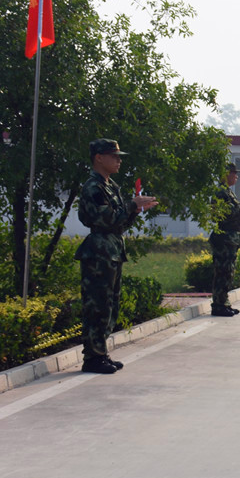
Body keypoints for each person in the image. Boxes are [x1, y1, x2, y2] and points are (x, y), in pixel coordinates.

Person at [74, 139, 158, 374]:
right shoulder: (94, 187)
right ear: (99, 158)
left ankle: (100, 353)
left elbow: (119, 223)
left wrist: (135, 210)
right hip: (99, 252)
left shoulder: (111, 186)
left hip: (111, 250)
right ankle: (93, 358)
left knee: (109, 305)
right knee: (97, 306)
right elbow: (105, 219)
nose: (118, 160)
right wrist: (131, 205)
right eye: (114, 156)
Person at [210, 162, 240, 317]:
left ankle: (224, 303)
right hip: (224, 237)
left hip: (230, 237)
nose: (236, 176)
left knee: (228, 272)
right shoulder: (220, 193)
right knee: (222, 272)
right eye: (233, 173)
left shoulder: (228, 192)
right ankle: (218, 305)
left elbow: (234, 213)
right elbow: (224, 215)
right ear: (225, 174)